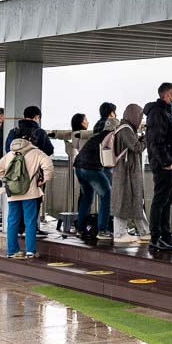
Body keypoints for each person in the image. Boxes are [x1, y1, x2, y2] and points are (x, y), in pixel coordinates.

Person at [0, 125, 54, 258]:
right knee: (30, 221)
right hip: (30, 192)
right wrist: (43, 180)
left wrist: (7, 181)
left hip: (13, 192)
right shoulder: (36, 153)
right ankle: (30, 251)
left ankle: (12, 251)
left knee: (13, 221)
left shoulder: (10, 153)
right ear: (31, 138)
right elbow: (48, 166)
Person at [3, 106, 55, 241]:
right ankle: (30, 231)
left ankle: (17, 233)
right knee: (34, 202)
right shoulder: (40, 132)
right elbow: (48, 151)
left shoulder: (13, 131)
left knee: (15, 203)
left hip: (14, 174)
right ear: (37, 117)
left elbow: (7, 150)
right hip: (34, 173)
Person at [143, 82, 172, 252]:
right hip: (165, 165)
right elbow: (155, 141)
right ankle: (156, 237)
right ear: (166, 96)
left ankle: (166, 236)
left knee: (168, 201)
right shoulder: (158, 113)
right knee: (160, 200)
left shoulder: (170, 112)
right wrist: (167, 162)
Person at [73, 103, 118, 241]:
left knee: (87, 196)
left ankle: (80, 228)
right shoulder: (111, 132)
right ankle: (103, 230)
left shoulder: (98, 129)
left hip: (79, 165)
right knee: (106, 194)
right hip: (91, 167)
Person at [107, 104, 147, 245]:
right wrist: (146, 138)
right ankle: (119, 234)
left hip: (127, 169)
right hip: (125, 171)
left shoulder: (126, 128)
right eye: (140, 116)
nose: (141, 119)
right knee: (122, 201)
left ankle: (144, 231)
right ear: (133, 115)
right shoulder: (125, 130)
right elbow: (136, 147)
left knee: (133, 200)